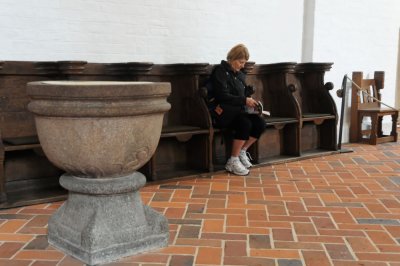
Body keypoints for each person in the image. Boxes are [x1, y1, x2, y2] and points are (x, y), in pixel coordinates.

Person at [210, 44, 266, 176]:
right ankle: (232, 161)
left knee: (260, 123)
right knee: (245, 124)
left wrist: (251, 101)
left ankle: (242, 151)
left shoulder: (240, 75)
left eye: (244, 63)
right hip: (223, 113)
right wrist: (244, 100)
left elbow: (243, 95)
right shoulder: (220, 72)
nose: (242, 65)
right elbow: (221, 96)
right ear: (232, 58)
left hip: (239, 111)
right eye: (241, 62)